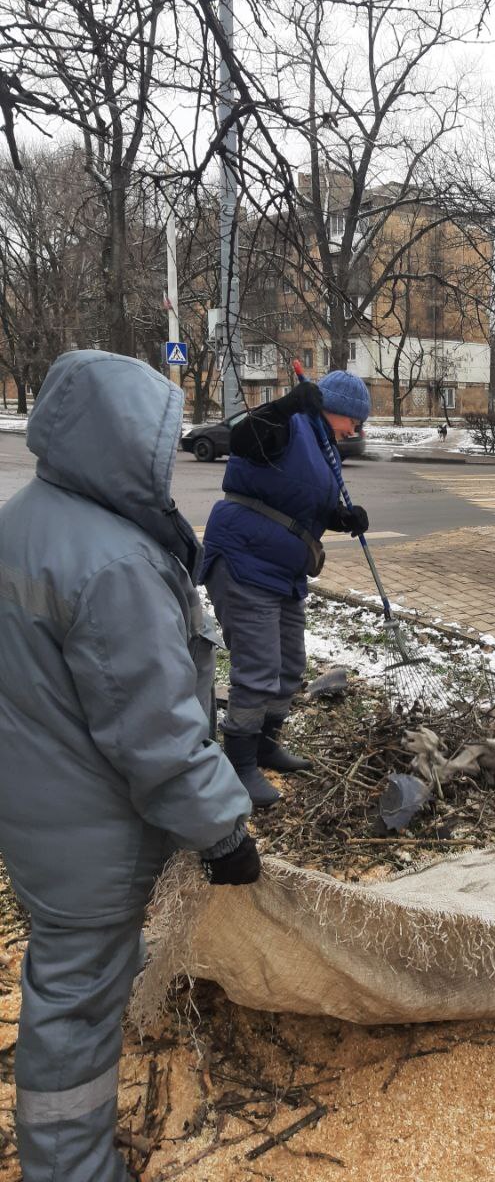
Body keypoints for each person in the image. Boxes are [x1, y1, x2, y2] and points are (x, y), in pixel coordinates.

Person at [0, 350, 260, 1182]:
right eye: (159, 440)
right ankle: (68, 1165)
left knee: (73, 962)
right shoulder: (113, 561)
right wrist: (224, 831)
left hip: (34, 802)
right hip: (87, 831)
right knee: (74, 1005)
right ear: (119, 441)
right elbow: (155, 732)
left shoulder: (25, 519)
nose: (170, 455)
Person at [200, 370, 371, 808]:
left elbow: (298, 499)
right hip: (244, 560)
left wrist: (340, 518)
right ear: (335, 409)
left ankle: (264, 745)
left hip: (282, 568)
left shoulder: (322, 442)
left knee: (290, 664)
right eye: (355, 420)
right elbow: (243, 442)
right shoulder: (288, 424)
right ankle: (238, 765)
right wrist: (284, 404)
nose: (357, 430)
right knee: (258, 667)